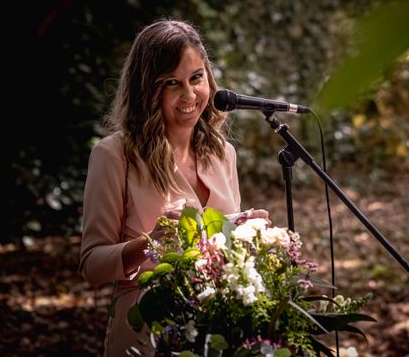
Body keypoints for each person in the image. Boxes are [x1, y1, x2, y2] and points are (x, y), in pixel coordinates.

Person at [79, 18, 269, 357]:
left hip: (218, 334)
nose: (189, 95)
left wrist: (243, 233)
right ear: (147, 90)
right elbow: (92, 264)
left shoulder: (223, 154)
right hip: (145, 336)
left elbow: (222, 253)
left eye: (196, 78)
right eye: (171, 83)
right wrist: (151, 242)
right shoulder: (113, 155)